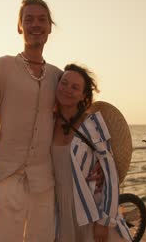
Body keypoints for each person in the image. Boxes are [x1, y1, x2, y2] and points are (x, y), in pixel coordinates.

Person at [0, 0, 62, 242]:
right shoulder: (2, 67)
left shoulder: (57, 76)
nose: (36, 24)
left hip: (44, 186)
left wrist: (96, 164)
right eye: (28, 19)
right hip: (3, 181)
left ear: (50, 27)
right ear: (19, 26)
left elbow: (73, 127)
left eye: (42, 19)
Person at [52, 64, 132, 242]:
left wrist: (104, 222)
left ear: (83, 95)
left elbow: (110, 173)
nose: (67, 90)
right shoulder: (48, 123)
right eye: (64, 83)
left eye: (75, 87)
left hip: (92, 212)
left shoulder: (91, 124)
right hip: (60, 214)